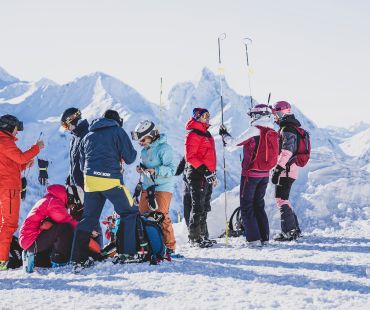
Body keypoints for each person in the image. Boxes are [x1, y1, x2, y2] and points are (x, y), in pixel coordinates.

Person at [71, 109, 137, 271]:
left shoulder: (88, 135)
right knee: (129, 212)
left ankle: (77, 259)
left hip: (90, 181)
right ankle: (126, 253)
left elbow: (81, 164)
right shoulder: (117, 131)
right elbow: (130, 158)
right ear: (117, 121)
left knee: (89, 218)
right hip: (110, 180)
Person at [220, 104, 278, 246]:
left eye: (252, 115)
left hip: (250, 174)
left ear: (257, 116)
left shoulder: (254, 129)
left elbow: (233, 144)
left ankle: (253, 240)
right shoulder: (272, 130)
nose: (251, 118)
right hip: (265, 174)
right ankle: (264, 237)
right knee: (259, 205)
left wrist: (224, 135)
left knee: (246, 206)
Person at [0, 114, 44, 270]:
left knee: (2, 224)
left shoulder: (4, 141)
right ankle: (2, 260)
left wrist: (25, 165)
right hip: (8, 189)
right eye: (16, 128)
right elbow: (20, 158)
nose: (17, 132)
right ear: (9, 127)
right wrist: (37, 148)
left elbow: (12, 165)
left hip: (5, 186)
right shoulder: (4, 141)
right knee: (9, 224)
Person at [131, 120, 176, 255]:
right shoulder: (144, 152)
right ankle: (149, 245)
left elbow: (171, 170)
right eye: (139, 140)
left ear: (152, 135)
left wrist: (155, 170)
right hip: (147, 186)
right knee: (143, 216)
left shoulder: (164, 148)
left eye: (143, 139)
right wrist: (142, 169)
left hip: (163, 187)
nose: (141, 143)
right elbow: (147, 167)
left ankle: (170, 247)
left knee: (160, 216)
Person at [60, 107, 103, 245]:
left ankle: (97, 249)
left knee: (90, 217)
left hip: (86, 185)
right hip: (76, 186)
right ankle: (82, 248)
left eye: (66, 125)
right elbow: (73, 163)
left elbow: (90, 161)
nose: (66, 128)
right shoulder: (75, 137)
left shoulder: (87, 135)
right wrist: (69, 180)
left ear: (72, 120)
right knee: (77, 217)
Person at [18, 184, 79, 272]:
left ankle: (35, 258)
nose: (72, 207)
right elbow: (67, 220)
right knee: (65, 228)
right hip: (31, 240)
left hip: (30, 239)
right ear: (70, 198)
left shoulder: (51, 198)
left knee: (56, 227)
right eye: (73, 203)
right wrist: (86, 229)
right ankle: (59, 262)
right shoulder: (54, 202)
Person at [184, 108, 217, 248]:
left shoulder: (206, 133)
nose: (207, 118)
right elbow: (190, 157)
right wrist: (205, 171)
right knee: (197, 206)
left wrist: (212, 173)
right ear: (197, 117)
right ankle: (194, 238)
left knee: (204, 206)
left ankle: (203, 236)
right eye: (204, 115)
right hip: (198, 174)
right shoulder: (193, 134)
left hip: (207, 174)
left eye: (209, 115)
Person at [271, 101, 302, 241]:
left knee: (281, 199)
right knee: (283, 199)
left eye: (277, 114)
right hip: (289, 169)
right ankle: (294, 229)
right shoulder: (289, 127)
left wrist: (277, 169)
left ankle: (289, 232)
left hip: (286, 169)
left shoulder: (288, 129)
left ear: (284, 112)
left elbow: (287, 152)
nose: (275, 117)